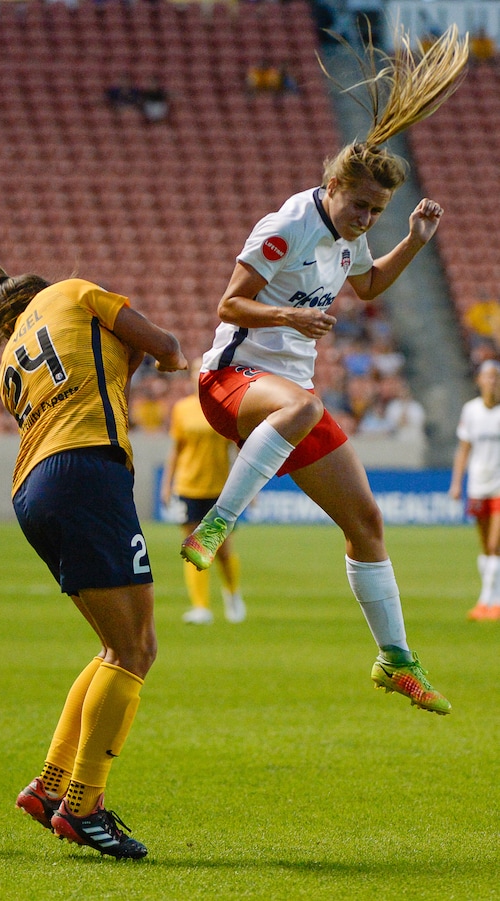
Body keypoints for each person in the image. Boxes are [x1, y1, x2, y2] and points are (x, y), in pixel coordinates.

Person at [180, 25, 469, 716]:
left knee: (366, 520)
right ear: (334, 183)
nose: (366, 217)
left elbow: (367, 289)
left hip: (286, 400)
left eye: (376, 211)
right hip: (232, 380)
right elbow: (228, 301)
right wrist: (290, 320)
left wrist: (411, 240)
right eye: (361, 204)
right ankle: (216, 522)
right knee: (306, 408)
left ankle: (394, 658)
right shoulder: (288, 223)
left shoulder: (352, 236)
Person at [0, 260, 187, 859]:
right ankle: (83, 806)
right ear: (41, 291)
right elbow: (167, 346)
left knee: (113, 648)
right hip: (86, 471)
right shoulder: (73, 293)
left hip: (33, 490)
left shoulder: (7, 362)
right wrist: (167, 357)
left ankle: (52, 787)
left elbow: (100, 376)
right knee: (135, 650)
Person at [161, 358, 246, 624]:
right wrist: (167, 483)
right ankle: (201, 607)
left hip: (219, 488)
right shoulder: (182, 409)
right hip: (188, 485)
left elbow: (238, 448)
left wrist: (248, 487)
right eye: (195, 371)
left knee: (222, 550)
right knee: (193, 547)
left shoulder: (226, 407)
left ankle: (232, 593)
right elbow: (176, 449)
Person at [449, 359, 500, 621]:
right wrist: (457, 482)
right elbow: (464, 449)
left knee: (495, 544)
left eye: (496, 377)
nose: (492, 381)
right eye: (488, 377)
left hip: (499, 487)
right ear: (479, 381)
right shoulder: (471, 411)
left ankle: (489, 601)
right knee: (484, 545)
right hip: (479, 484)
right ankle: (490, 599)